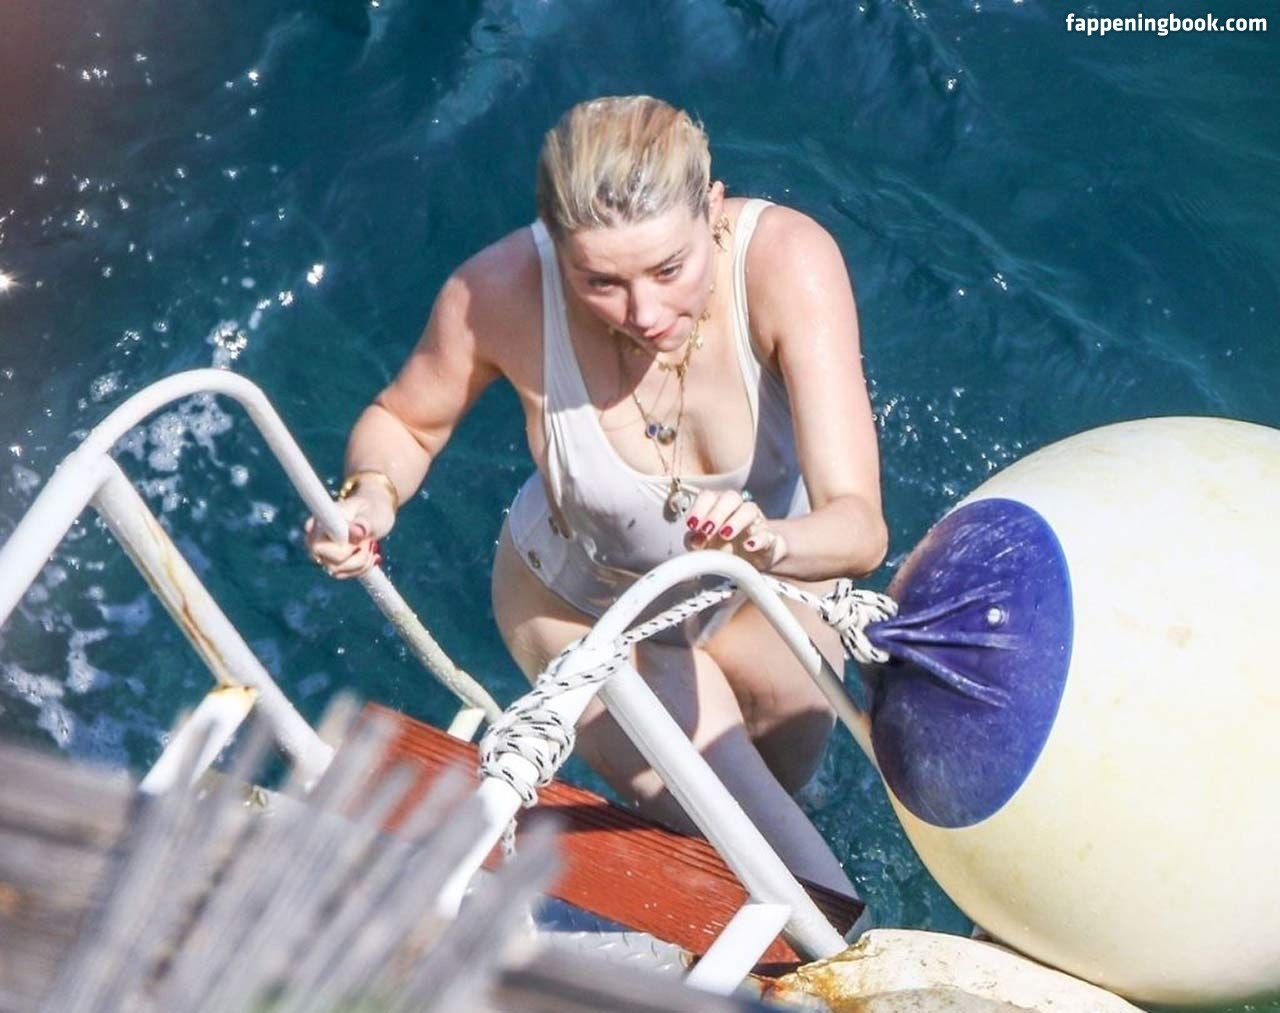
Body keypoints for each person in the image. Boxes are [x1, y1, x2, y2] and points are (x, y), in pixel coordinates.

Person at [305, 95, 886, 896]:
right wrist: (370, 494)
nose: (644, 313)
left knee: (790, 791)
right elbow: (405, 421)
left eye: (669, 270)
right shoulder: (497, 291)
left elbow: (859, 527)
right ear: (554, 245)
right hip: (589, 607)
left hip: (764, 581)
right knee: (802, 877)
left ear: (713, 208)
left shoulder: (788, 263)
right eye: (601, 282)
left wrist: (770, 543)